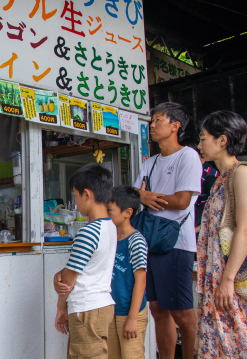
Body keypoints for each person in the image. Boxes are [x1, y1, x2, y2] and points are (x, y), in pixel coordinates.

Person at [133, 102, 202, 359]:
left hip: (176, 244)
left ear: (175, 126)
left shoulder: (188, 156)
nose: (152, 125)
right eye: (152, 121)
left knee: (182, 312)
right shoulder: (149, 163)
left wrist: (147, 196)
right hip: (150, 242)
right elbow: (135, 194)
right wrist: (142, 195)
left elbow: (183, 200)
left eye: (157, 120)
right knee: (157, 308)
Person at [195, 110, 247, 357]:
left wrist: (228, 279)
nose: (200, 145)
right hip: (218, 277)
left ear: (222, 141)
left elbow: (245, 227)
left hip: (233, 277)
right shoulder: (222, 178)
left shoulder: (241, 173)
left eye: (203, 138)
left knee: (236, 342)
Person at [53, 163, 117, 359]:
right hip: (101, 305)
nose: (76, 202)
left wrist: (61, 306)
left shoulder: (88, 232)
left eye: (75, 196)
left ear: (87, 194)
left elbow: (68, 281)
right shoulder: (110, 226)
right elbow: (82, 266)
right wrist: (61, 274)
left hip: (87, 308)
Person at [106, 185, 148, 359]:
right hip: (111, 311)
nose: (106, 214)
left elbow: (141, 280)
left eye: (110, 210)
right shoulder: (110, 238)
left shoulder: (136, 241)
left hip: (131, 312)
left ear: (127, 213)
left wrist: (132, 318)